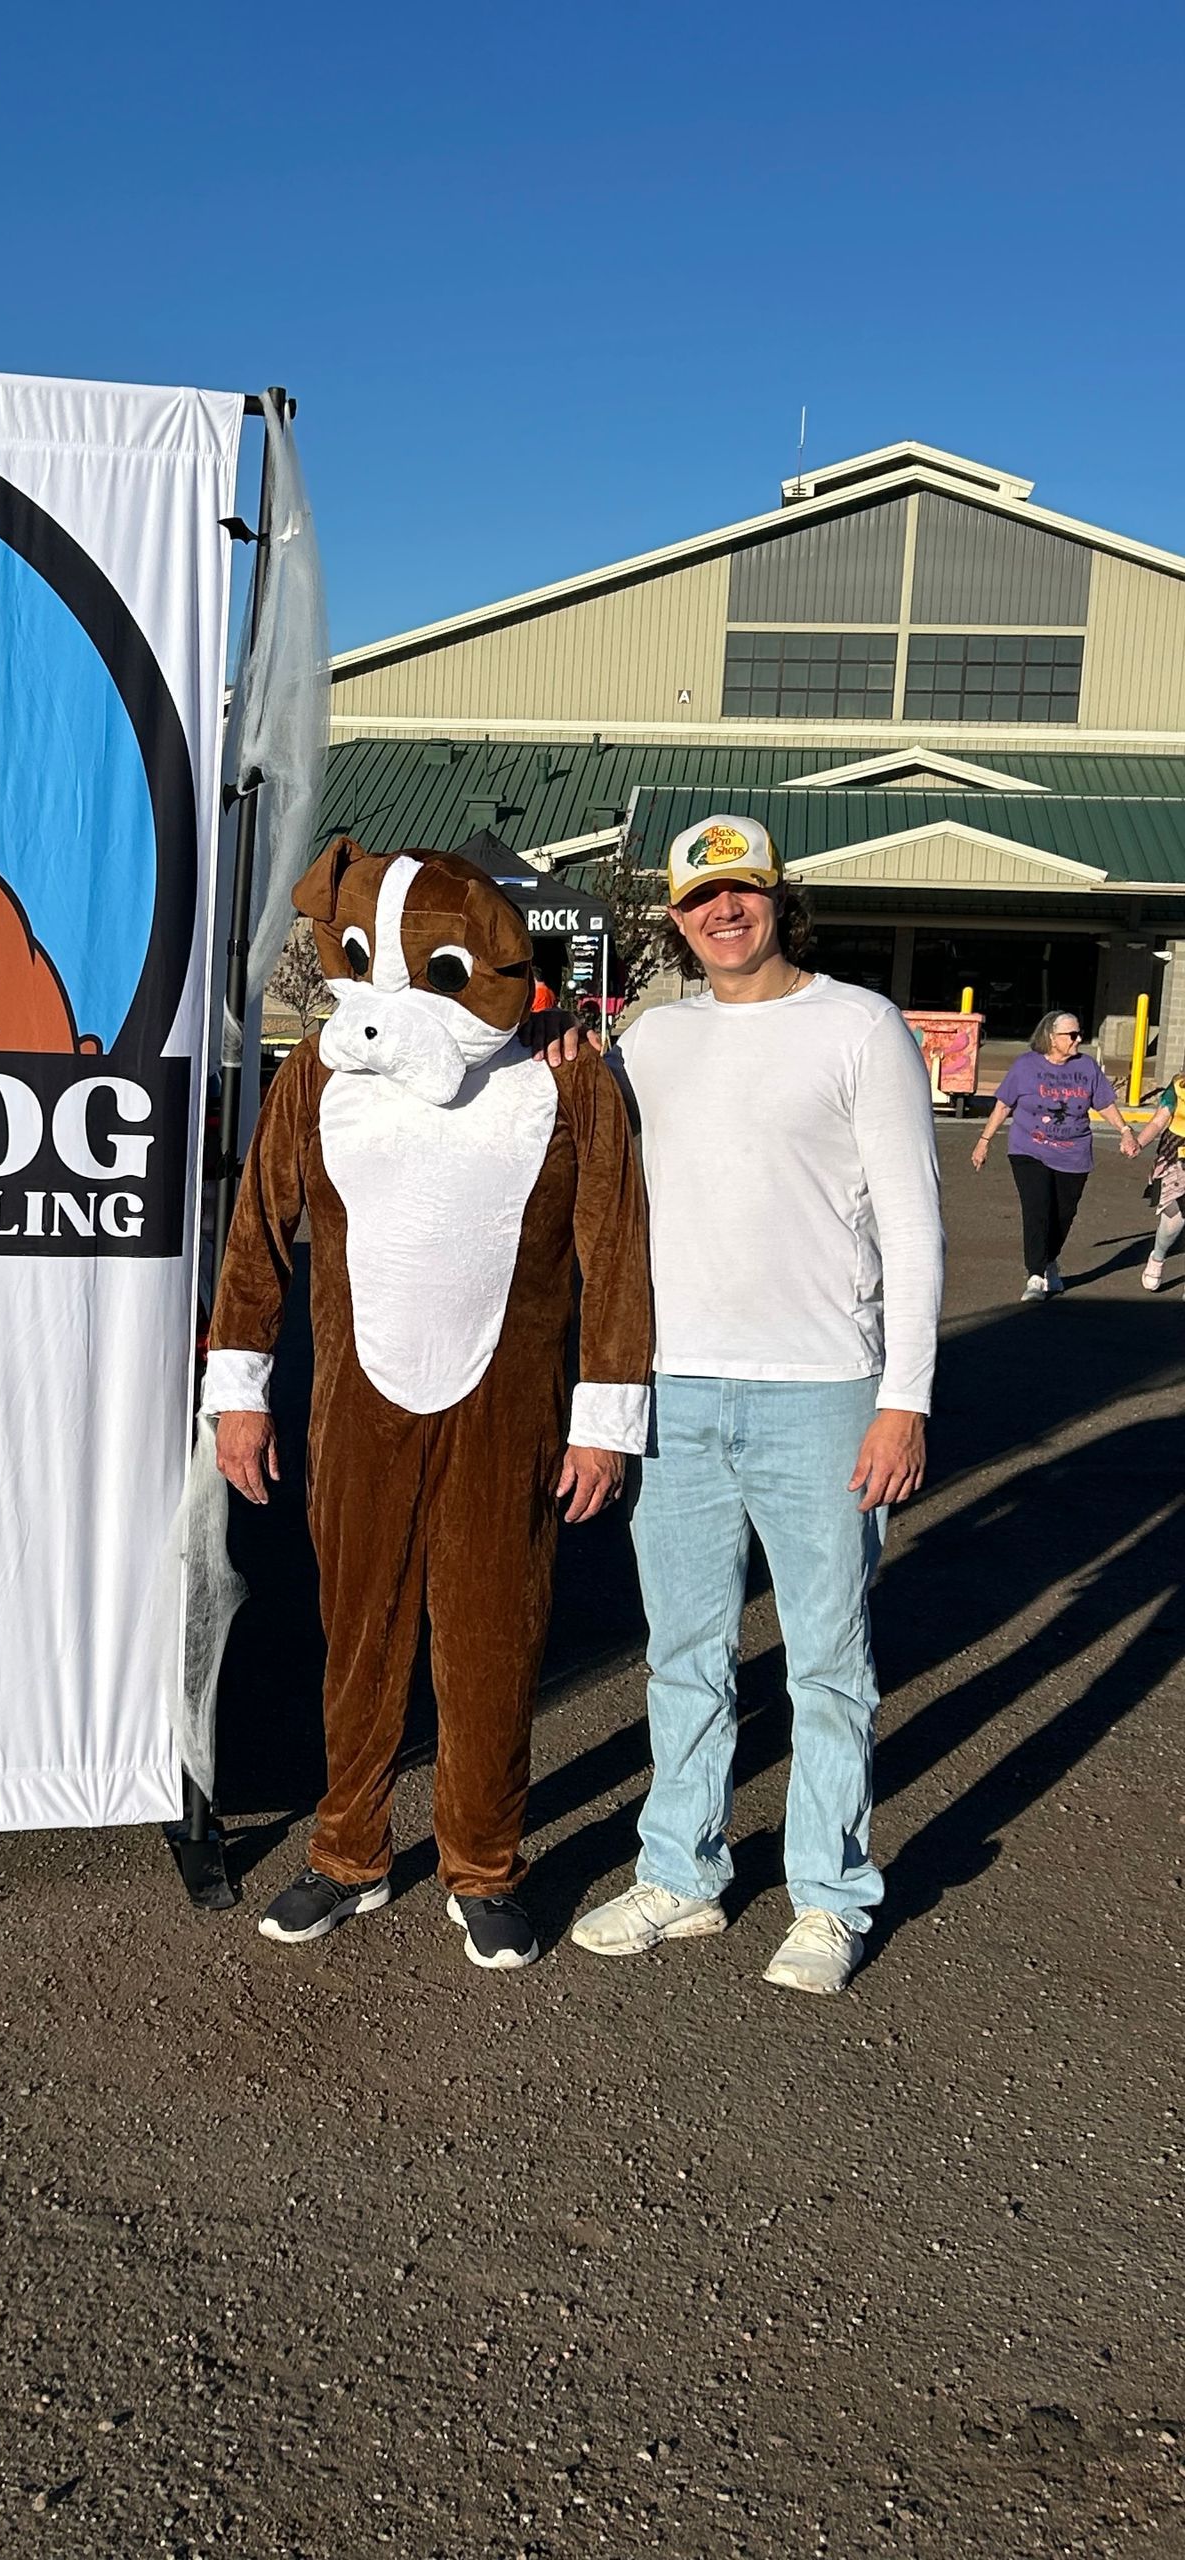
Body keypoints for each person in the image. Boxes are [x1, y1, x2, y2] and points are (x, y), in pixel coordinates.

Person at [207, 840, 652, 1974]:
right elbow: (257, 1232)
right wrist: (239, 1393)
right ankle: (349, 1849)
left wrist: (606, 1417)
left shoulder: (564, 1074)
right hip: (359, 1403)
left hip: (510, 1404)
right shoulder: (318, 1070)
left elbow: (616, 1247)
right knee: (355, 1634)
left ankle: (484, 1863)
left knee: (494, 1640)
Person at [563, 815, 943, 1996]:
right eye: (697, 899)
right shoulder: (652, 1039)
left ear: (779, 899)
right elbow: (591, 1166)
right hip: (678, 1389)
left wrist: (906, 1398)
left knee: (829, 1663)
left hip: (825, 1392)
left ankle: (832, 1895)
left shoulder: (858, 1024)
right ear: (675, 921)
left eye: (742, 891)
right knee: (684, 1655)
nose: (721, 913)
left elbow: (917, 1222)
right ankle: (681, 1871)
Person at [971, 1013, 1136, 1297]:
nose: (1078, 1040)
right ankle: (1034, 1275)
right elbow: (1003, 1105)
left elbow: (1105, 1103)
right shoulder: (1025, 1066)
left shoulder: (1086, 1067)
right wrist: (984, 1140)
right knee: (1037, 1208)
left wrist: (1124, 1130)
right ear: (1051, 1037)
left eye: (1079, 1034)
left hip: (1074, 1154)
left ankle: (1049, 1262)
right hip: (1028, 1149)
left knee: (1063, 1214)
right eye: (1071, 1035)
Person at [1128, 1075, 1185, 1288]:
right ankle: (1158, 1256)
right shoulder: (1179, 1086)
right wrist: (1139, 1143)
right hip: (1177, 1158)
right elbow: (1159, 1121)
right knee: (1174, 1219)